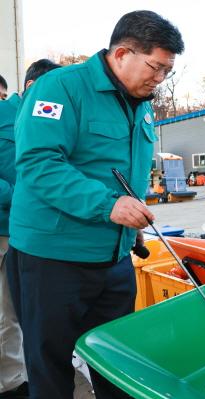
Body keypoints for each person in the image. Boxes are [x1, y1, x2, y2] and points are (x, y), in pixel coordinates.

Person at [5, 11, 184, 398]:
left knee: (117, 360)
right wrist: (110, 205)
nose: (160, 79)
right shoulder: (61, 89)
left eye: (167, 71)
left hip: (115, 258)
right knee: (49, 364)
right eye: (156, 67)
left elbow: (125, 172)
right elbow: (39, 163)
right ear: (122, 53)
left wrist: (130, 223)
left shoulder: (141, 103)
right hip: (52, 258)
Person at [0, 59, 59, 399]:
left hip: (37, 233)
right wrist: (18, 196)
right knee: (6, 313)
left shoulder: (54, 117)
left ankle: (22, 375)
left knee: (28, 313)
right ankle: (10, 385)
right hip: (5, 228)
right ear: (33, 85)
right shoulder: (6, 115)